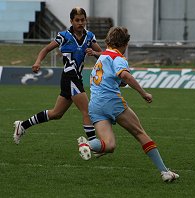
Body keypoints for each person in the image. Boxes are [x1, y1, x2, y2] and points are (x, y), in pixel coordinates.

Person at [77, 26, 179, 182]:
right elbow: (125, 75)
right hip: (111, 102)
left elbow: (114, 79)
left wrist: (120, 82)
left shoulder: (102, 57)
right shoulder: (118, 58)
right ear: (124, 43)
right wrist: (143, 93)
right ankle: (165, 172)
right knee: (140, 133)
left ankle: (88, 145)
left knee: (109, 145)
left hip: (95, 105)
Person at [13, 7, 102, 151]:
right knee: (87, 111)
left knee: (56, 114)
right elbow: (46, 49)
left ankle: (22, 125)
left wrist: (95, 52)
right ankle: (94, 146)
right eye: (77, 20)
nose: (80, 23)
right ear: (71, 21)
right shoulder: (64, 36)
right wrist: (37, 61)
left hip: (76, 78)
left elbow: (102, 54)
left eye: (83, 20)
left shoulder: (90, 37)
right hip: (69, 77)